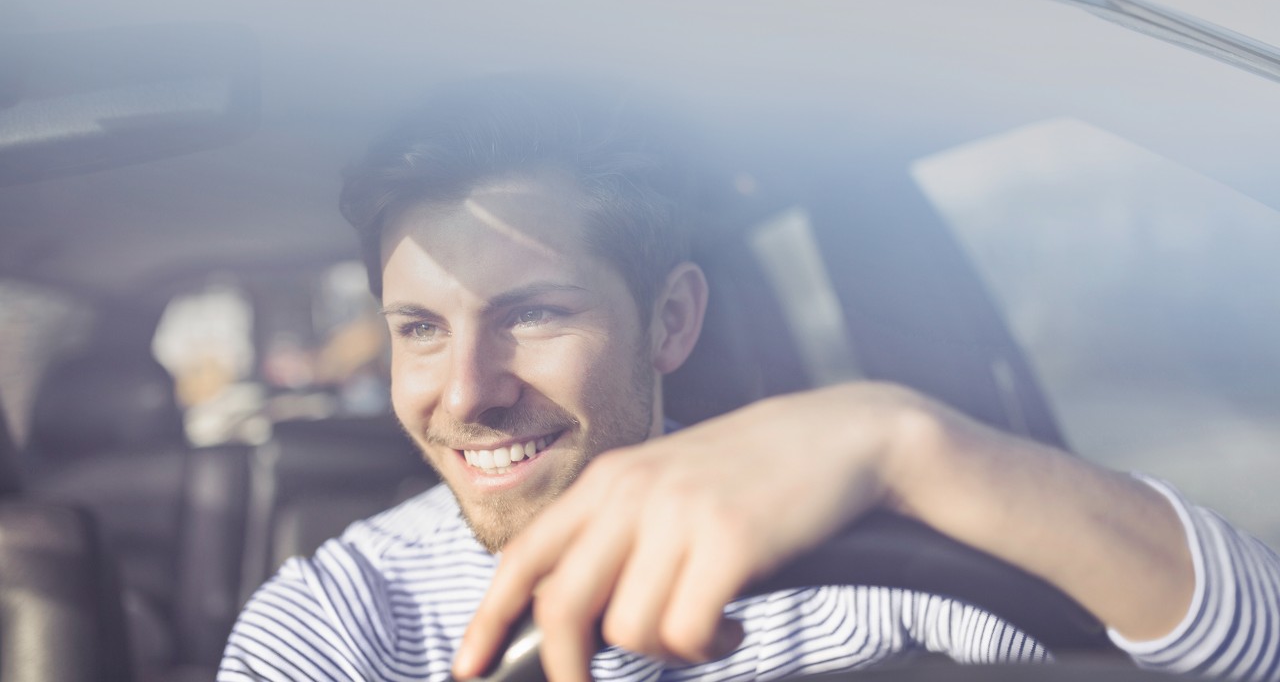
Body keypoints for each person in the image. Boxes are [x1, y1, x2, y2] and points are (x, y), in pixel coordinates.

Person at [218, 78, 1280, 682]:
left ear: (670, 319)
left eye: (533, 314)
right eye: (418, 329)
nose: (465, 391)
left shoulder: (873, 557)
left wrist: (909, 442)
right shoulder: (335, 621)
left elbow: (1249, 655)